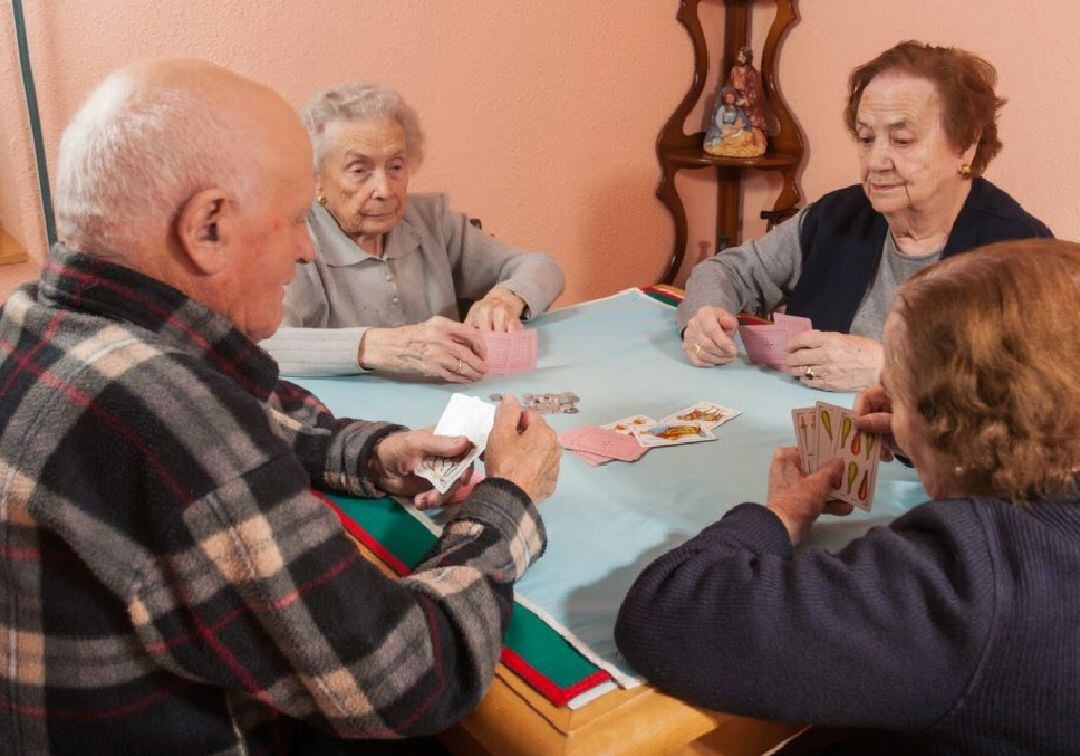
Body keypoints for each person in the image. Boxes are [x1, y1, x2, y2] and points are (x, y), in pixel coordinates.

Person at [0, 60, 562, 755]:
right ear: (206, 226)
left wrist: (373, 452)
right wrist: (509, 499)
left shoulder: (39, 318)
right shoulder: (175, 421)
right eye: (297, 218)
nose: (305, 248)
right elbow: (408, 678)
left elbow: (244, 400)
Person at [617, 239, 1080, 753]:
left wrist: (779, 515)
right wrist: (930, 444)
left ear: (949, 420)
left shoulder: (967, 583)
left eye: (897, 386)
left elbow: (668, 612)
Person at [680, 40, 1052, 392]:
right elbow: (726, 271)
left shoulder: (1020, 253)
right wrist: (707, 314)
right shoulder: (838, 215)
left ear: (966, 146)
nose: (875, 162)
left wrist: (889, 368)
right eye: (865, 138)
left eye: (902, 141)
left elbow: (1037, 391)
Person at [260, 82, 565, 380]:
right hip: (348, 423)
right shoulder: (296, 239)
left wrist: (506, 298)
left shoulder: (430, 220)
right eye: (358, 170)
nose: (384, 189)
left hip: (451, 408)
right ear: (316, 178)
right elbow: (265, 344)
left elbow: (543, 267)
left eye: (395, 167)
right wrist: (385, 347)